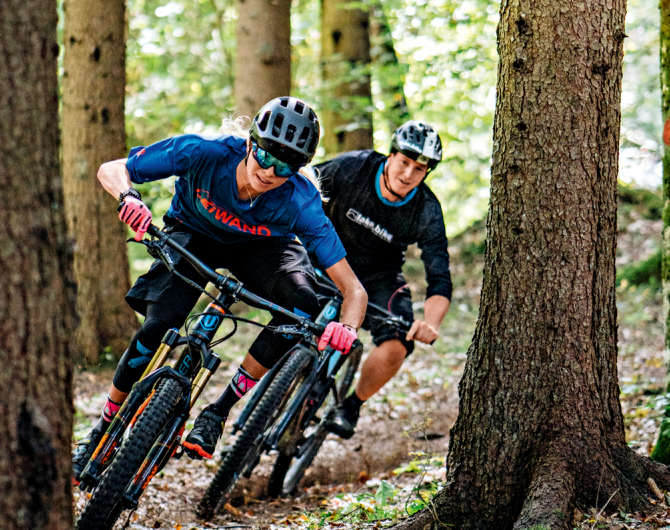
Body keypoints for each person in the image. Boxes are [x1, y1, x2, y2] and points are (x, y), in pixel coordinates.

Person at [72, 97, 369, 482]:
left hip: (263, 248)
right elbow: (113, 169)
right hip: (193, 233)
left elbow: (354, 290)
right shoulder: (203, 153)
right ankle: (101, 431)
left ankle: (219, 410)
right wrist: (128, 197)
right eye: (265, 156)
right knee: (159, 324)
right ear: (249, 143)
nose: (269, 171)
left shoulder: (301, 200)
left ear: (299, 169)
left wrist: (346, 328)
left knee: (301, 306)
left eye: (285, 166)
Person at [314, 120, 452, 438]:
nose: (408, 175)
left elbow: (440, 278)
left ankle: (350, 405)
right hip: (324, 257)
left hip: (379, 278)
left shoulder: (426, 210)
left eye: (419, 169)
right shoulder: (353, 167)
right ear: (390, 156)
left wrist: (430, 322)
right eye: (404, 162)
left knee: (396, 344)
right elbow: (302, 188)